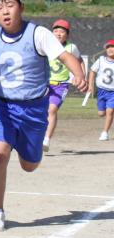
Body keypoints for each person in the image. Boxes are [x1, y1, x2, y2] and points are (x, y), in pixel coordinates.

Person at [0, 0, 87, 231]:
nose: (4, 11)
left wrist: (78, 74)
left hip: (34, 110)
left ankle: (29, 151)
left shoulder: (38, 34)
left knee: (29, 165)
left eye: (10, 5)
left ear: (21, 8)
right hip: (2, 106)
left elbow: (65, 57)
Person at [43, 19, 86, 152]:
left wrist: (81, 76)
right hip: (44, 84)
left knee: (52, 110)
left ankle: (46, 139)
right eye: (55, 31)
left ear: (67, 34)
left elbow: (79, 60)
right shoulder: (45, 45)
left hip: (61, 85)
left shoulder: (71, 48)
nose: (58, 34)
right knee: (41, 111)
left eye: (62, 31)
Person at [87, 39, 114, 141]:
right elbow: (92, 71)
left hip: (113, 92)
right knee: (101, 113)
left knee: (110, 111)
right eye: (108, 47)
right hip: (101, 91)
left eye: (112, 47)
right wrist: (90, 85)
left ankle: (105, 132)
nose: (110, 49)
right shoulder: (101, 60)